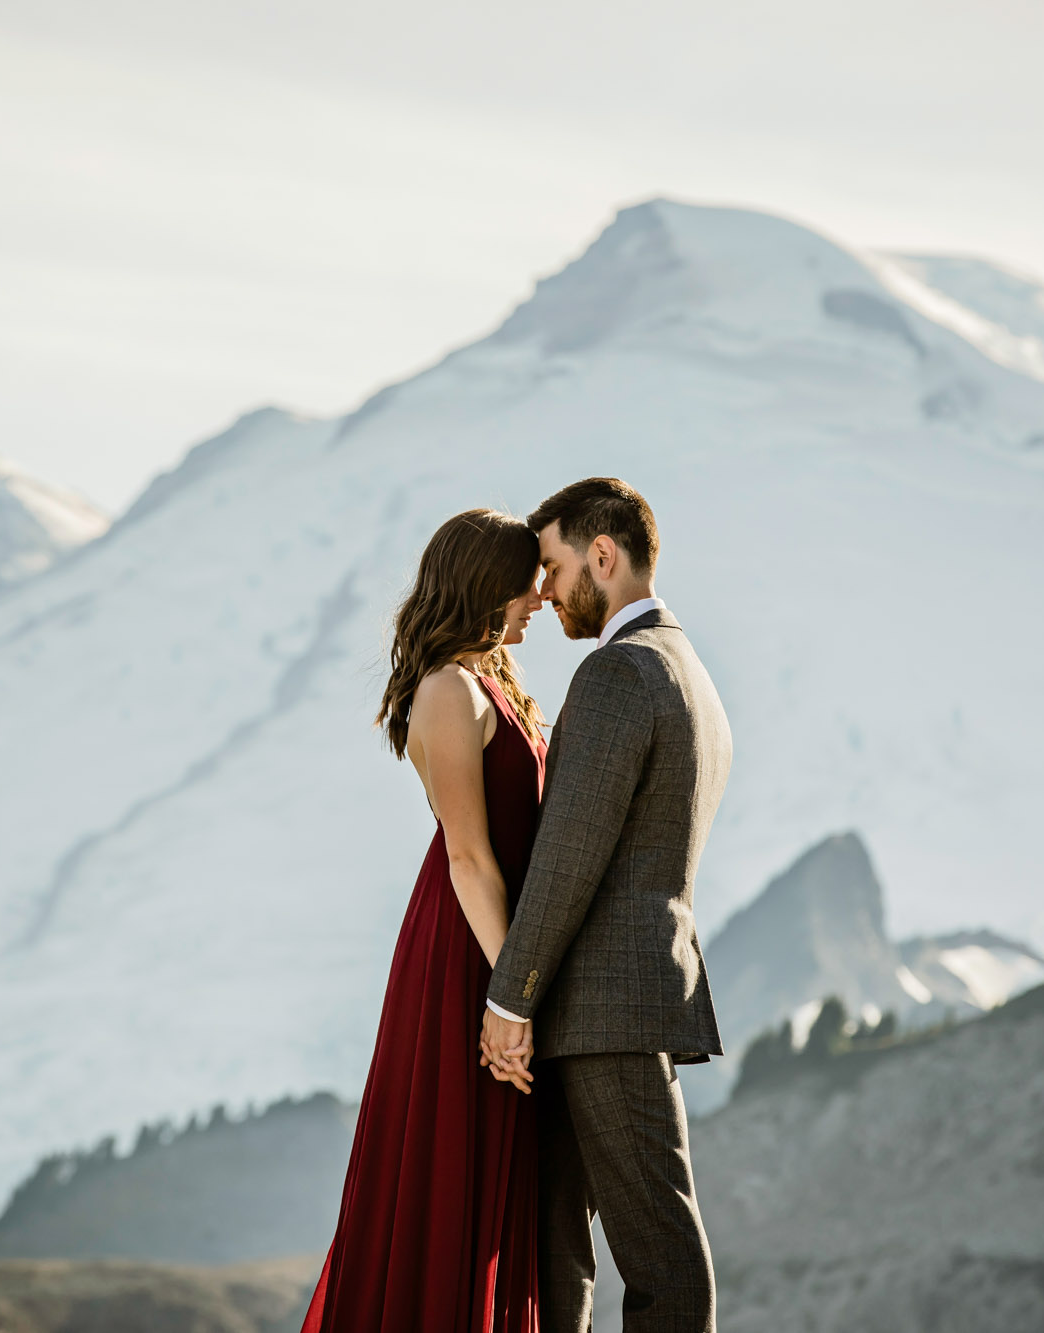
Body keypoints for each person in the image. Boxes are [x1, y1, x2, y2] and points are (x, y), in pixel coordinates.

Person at [480, 478, 733, 1333]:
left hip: (605, 1011)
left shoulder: (619, 671)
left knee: (656, 1253)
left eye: (551, 567)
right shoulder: (689, 670)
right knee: (557, 1257)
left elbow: (569, 857)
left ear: (603, 553)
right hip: (613, 1008)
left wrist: (508, 996)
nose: (543, 591)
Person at [303, 508, 549, 1332]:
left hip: (495, 950)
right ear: (489, 582)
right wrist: (514, 995)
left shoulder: (493, 679)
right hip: (464, 956)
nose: (541, 599)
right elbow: (470, 857)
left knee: (498, 1185)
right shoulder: (449, 689)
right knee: (454, 1184)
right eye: (529, 581)